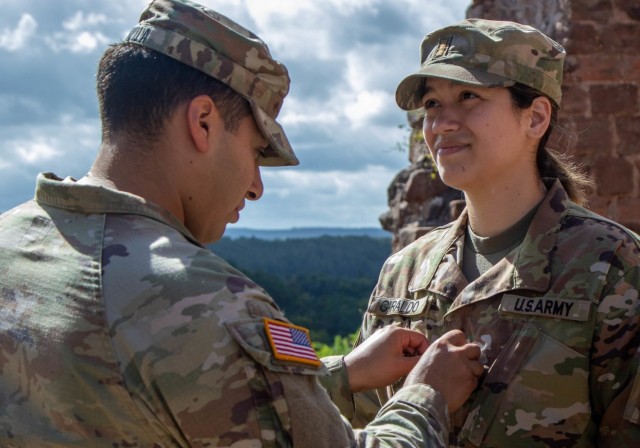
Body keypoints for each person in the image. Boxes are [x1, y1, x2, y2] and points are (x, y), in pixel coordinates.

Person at [0, 1, 485, 446]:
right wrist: (426, 396)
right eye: (256, 152)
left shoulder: (12, 241)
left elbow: (176, 392)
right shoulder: (200, 303)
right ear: (203, 122)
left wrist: (338, 375)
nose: (256, 187)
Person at [348, 18, 640, 447]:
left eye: (468, 96)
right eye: (431, 103)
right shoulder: (404, 271)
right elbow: (361, 426)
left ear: (536, 117)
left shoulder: (611, 265)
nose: (441, 122)